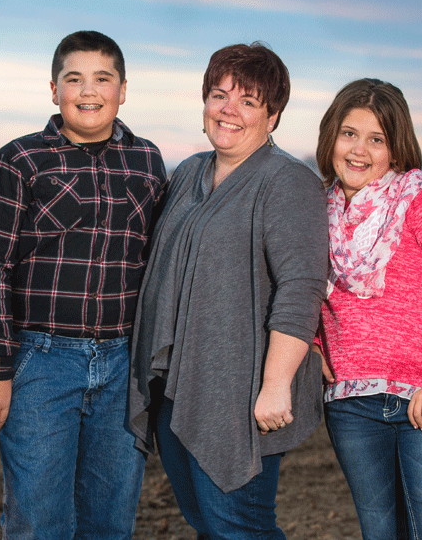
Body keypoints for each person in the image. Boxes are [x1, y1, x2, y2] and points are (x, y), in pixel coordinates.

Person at [0, 30, 167, 540]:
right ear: (53, 89)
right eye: (74, 78)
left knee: (110, 518)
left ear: (123, 90)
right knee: (39, 520)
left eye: (103, 79)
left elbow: (155, 263)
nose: (89, 90)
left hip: (123, 363)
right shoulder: (20, 161)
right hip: (41, 360)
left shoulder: (147, 162)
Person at [128, 42, 328, 539]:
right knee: (207, 523)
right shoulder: (192, 172)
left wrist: (277, 383)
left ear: (273, 116)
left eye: (249, 102)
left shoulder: (289, 182)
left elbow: (301, 289)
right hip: (178, 384)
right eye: (219, 95)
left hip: (242, 392)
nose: (228, 111)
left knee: (239, 526)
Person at [313, 78, 422, 540]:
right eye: (349, 133)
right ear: (331, 135)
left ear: (396, 149)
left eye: (377, 139)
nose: (359, 150)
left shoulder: (418, 198)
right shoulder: (316, 209)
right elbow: (299, 288)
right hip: (352, 404)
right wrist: (312, 347)